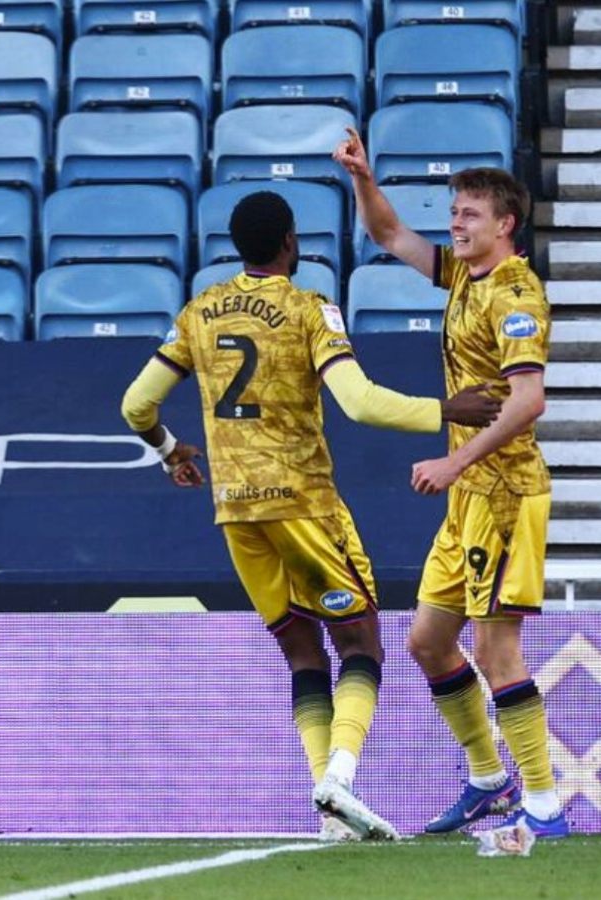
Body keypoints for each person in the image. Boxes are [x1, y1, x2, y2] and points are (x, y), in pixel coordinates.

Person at [119, 191, 501, 842]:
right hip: (303, 503)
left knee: (303, 655)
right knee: (360, 644)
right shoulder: (307, 310)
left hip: (235, 511)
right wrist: (447, 410)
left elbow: (135, 404)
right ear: (290, 243)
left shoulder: (198, 313)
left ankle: (332, 815)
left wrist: (168, 451)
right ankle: (341, 780)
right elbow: (361, 403)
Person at [336, 130, 567, 839]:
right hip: (469, 499)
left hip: (503, 494)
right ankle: (488, 780)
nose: (455, 223)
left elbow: (529, 402)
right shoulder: (465, 276)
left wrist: (453, 462)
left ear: (506, 224)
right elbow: (388, 232)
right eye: (454, 210)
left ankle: (545, 807)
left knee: (499, 651)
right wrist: (362, 178)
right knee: (430, 642)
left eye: (469, 213)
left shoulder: (516, 294)